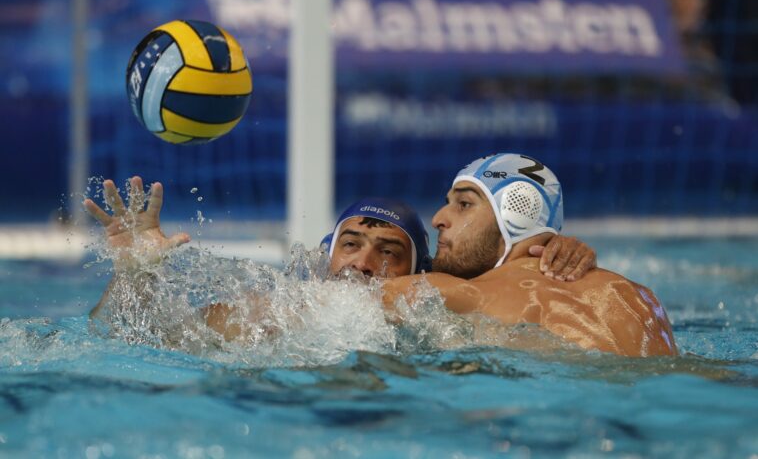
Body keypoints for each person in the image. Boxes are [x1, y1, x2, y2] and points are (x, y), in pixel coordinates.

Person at [85, 175, 596, 334]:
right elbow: (124, 338)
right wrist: (134, 275)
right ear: (325, 256)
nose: (363, 263)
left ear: (420, 274)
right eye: (350, 244)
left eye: (389, 252)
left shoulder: (444, 309)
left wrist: (550, 250)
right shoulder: (273, 314)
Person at [382, 153, 678, 357]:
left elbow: (345, 298)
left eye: (464, 205)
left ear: (516, 214)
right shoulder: (641, 298)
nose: (437, 219)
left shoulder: (465, 295)